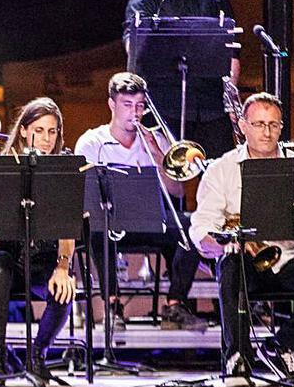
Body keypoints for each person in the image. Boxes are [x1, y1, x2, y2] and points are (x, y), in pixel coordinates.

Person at [190, 92, 294, 381]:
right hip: (244, 260)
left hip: (289, 257)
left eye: (273, 125)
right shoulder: (221, 169)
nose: (267, 132)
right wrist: (229, 240)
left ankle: (286, 343)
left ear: (281, 127)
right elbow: (202, 228)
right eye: (259, 124)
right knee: (229, 271)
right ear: (243, 126)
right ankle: (237, 357)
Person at [73, 72, 207, 331]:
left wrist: (157, 154)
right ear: (112, 105)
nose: (134, 112)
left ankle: (175, 305)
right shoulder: (92, 142)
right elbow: (84, 195)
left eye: (139, 105)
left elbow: (177, 191)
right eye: (127, 105)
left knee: (191, 227)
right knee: (97, 228)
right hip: (112, 223)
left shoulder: (156, 140)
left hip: (151, 220)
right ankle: (112, 306)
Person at [123, 0, 240, 164]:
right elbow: (132, 44)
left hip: (211, 105)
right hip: (165, 103)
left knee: (221, 175)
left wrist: (230, 102)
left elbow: (232, 51)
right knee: (166, 180)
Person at [0, 97, 77, 382]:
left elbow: (68, 226)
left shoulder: (65, 166)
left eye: (52, 131)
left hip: (46, 257)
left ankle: (37, 356)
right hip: (10, 257)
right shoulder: (4, 165)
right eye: (39, 130)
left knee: (64, 288)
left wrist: (63, 267)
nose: (46, 139)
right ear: (23, 131)